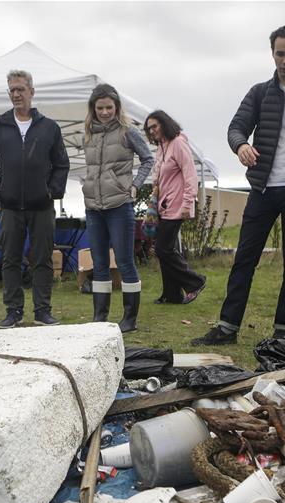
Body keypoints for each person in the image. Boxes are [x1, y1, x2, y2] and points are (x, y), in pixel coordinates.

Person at [192, 24, 285, 346]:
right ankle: (227, 328)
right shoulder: (258, 93)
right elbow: (236, 127)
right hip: (263, 189)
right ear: (272, 53)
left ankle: (283, 331)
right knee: (244, 260)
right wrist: (240, 146)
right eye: (279, 53)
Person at [0, 69, 70, 327]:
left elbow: (62, 164)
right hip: (9, 207)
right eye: (12, 90)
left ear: (31, 91)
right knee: (10, 259)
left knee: (42, 259)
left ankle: (42, 311)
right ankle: (13, 312)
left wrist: (52, 192)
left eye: (20, 89)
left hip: (42, 206)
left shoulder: (49, 128)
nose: (16, 94)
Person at [82, 84, 154, 332]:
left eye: (108, 107)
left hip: (120, 205)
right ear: (93, 108)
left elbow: (148, 159)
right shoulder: (88, 134)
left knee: (124, 261)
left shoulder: (128, 132)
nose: (104, 112)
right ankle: (99, 317)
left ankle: (129, 319)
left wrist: (135, 185)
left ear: (116, 107)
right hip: (93, 207)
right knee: (99, 263)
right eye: (99, 107)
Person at [145, 110, 207, 305]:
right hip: (164, 205)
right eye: (149, 129)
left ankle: (195, 282)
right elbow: (159, 177)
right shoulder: (162, 147)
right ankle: (171, 294)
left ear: (164, 123)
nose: (152, 131)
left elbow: (190, 175)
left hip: (178, 205)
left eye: (155, 126)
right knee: (165, 249)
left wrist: (188, 204)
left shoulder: (178, 143)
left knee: (163, 249)